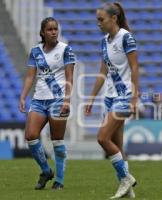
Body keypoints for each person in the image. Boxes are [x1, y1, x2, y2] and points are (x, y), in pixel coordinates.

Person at [84, 2, 138, 199]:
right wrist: (91, 98)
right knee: (117, 145)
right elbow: (102, 72)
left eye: (101, 19)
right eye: (97, 19)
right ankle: (128, 192)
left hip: (123, 96)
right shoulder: (104, 41)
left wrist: (134, 96)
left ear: (113, 19)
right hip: (109, 97)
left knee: (102, 138)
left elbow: (135, 68)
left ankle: (126, 178)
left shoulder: (126, 38)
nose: (98, 23)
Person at [19, 17, 76, 190]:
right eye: (50, 29)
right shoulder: (35, 51)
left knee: (57, 140)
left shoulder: (66, 49)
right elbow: (30, 76)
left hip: (58, 100)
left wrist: (67, 100)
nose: (53, 32)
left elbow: (69, 77)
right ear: (43, 32)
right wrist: (23, 96)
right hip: (38, 100)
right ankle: (46, 170)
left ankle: (59, 180)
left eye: (55, 29)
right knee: (30, 135)